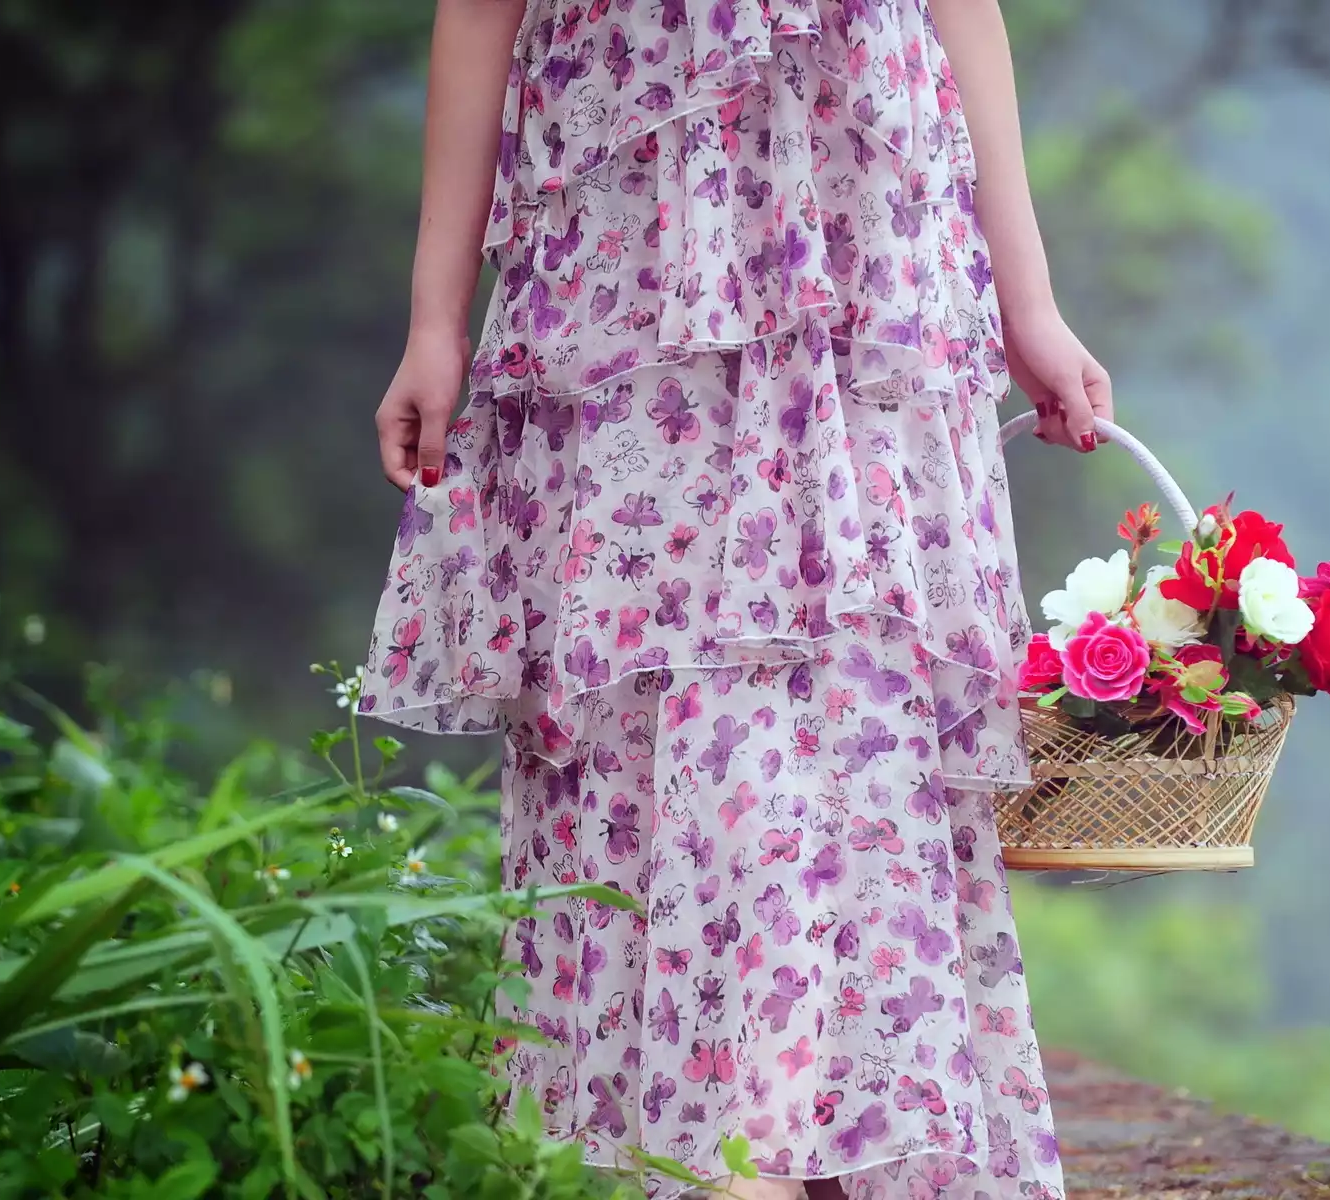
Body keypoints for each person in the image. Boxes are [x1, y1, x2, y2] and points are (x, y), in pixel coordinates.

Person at [357, 1, 1110, 1196]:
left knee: (861, 719)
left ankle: (790, 1157)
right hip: (633, 240)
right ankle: (713, 1161)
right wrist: (433, 322)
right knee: (647, 717)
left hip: (865, 230)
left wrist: (1031, 301)